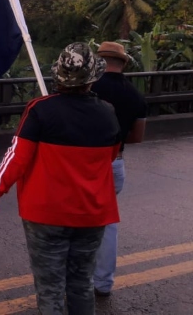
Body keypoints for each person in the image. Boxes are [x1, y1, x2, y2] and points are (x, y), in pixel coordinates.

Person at [0, 42, 121, 315]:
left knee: (50, 287)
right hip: (92, 213)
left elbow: (16, 158)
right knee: (80, 284)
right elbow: (111, 157)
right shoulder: (108, 112)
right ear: (92, 79)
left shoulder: (40, 109)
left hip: (46, 215)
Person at [92, 42, 147, 297]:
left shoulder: (89, 88)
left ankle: (76, 280)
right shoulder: (135, 95)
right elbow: (137, 136)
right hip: (116, 162)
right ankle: (103, 282)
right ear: (124, 63)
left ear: (99, 61)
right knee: (107, 224)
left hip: (88, 161)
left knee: (75, 223)